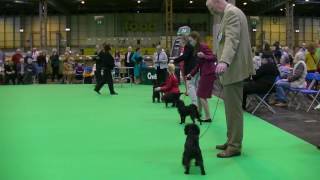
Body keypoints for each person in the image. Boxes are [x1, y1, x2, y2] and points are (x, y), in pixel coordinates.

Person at [206, 0, 254, 158]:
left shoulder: (231, 13)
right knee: (230, 109)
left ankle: (234, 146)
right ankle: (231, 139)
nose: (213, 13)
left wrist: (224, 61)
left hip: (233, 69)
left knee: (233, 111)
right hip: (232, 70)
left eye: (212, 9)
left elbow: (232, 40)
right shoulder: (230, 13)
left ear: (217, 2)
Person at [186, 31, 217, 122]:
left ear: (195, 39)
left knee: (202, 95)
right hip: (204, 73)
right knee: (199, 94)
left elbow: (213, 57)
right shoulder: (196, 48)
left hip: (209, 73)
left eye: (191, 40)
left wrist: (204, 55)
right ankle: (199, 113)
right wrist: (190, 74)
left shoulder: (203, 46)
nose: (190, 42)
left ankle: (208, 117)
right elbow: (198, 65)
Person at [174, 34, 199, 105]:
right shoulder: (190, 46)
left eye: (180, 41)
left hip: (190, 70)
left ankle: (195, 104)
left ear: (183, 40)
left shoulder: (187, 46)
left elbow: (185, 56)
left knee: (190, 85)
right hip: (194, 69)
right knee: (194, 86)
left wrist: (175, 60)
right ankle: (197, 103)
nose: (179, 43)